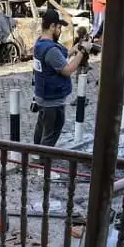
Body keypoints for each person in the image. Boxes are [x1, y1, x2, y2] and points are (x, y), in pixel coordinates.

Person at [32, 10, 86, 151]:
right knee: (51, 133)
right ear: (52, 27)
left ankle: (36, 154)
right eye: (58, 27)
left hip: (43, 96)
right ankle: (43, 164)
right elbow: (67, 70)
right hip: (52, 100)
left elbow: (56, 61)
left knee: (41, 129)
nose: (60, 30)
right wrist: (82, 52)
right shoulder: (51, 50)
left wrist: (73, 50)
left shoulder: (40, 43)